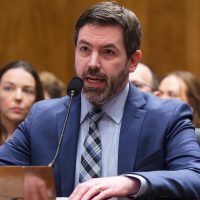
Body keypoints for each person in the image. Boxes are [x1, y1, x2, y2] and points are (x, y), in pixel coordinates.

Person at [0, 2, 200, 199]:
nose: (92, 63)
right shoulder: (42, 117)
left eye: (108, 52)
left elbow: (194, 177)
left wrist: (133, 182)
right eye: (85, 49)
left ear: (133, 61)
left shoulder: (166, 117)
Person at [0, 60, 44, 145]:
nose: (18, 97)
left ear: (37, 98)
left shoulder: (47, 142)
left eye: (27, 91)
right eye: (8, 88)